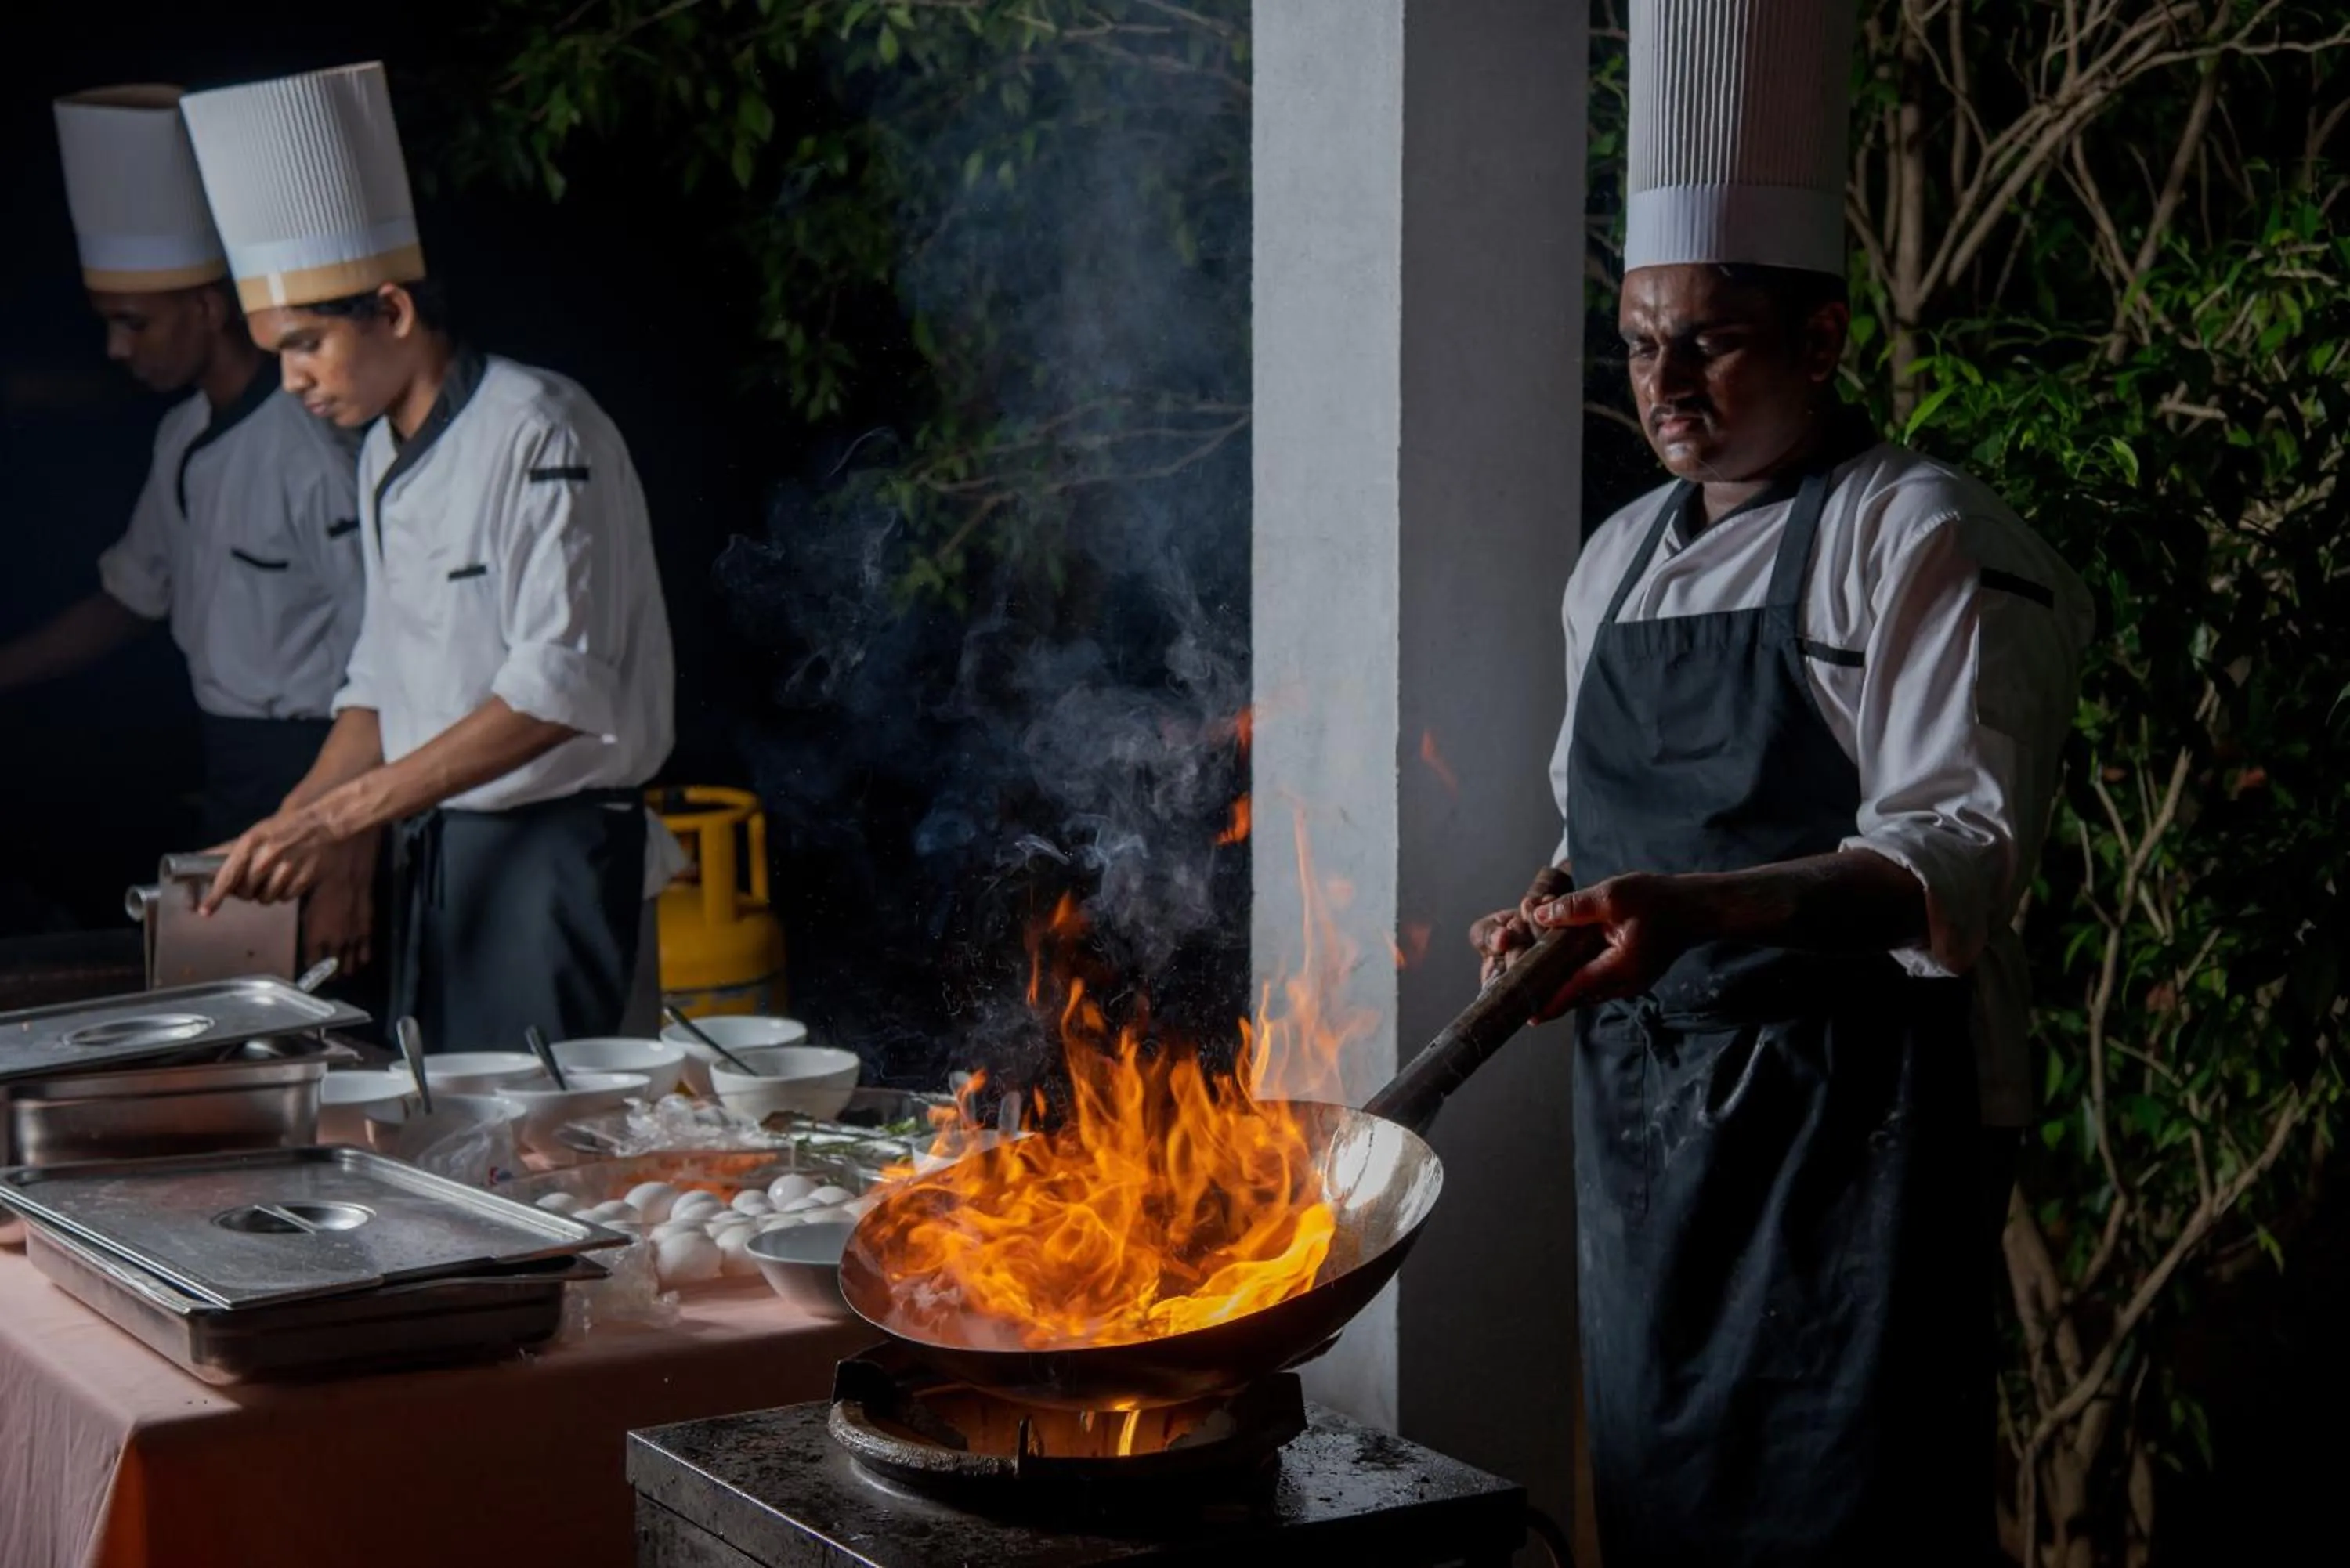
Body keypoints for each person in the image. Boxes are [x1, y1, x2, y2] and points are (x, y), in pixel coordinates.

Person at [1470, 3, 2093, 1563]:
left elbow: (1952, 857)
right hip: (1649, 1130)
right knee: (1660, 1509)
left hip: (1856, 1133)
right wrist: (1555, 909)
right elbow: (1596, 826)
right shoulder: (1615, 562)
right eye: (1639, 342)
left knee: (1850, 1519)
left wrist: (1691, 907)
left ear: (1820, 338)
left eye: (1711, 338)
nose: (1664, 380)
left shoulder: (1920, 532)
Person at [181, 63, 679, 1049]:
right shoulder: (379, 453)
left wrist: (338, 822)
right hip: (440, 857)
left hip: (552, 857)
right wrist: (295, 817)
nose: (291, 381)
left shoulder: (542, 427)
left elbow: (555, 692)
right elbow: (382, 678)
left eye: (307, 344)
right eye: (277, 353)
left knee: (553, 1131)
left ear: (394, 311)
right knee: (448, 1127)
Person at [0, 86, 372, 970]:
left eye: (133, 324)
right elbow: (134, 595)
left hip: (321, 772)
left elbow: (389, 658)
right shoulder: (182, 434)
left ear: (207, 308)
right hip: (230, 769)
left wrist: (349, 845)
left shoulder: (311, 446)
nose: (116, 351)